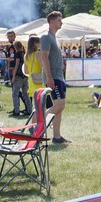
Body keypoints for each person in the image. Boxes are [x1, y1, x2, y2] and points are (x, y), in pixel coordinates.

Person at [38, 11, 69, 143]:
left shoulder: (54, 37)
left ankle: (57, 136)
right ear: (51, 22)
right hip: (53, 76)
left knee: (59, 107)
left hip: (59, 75)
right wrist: (49, 78)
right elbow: (44, 57)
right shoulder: (46, 37)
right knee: (60, 105)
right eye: (58, 20)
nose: (61, 22)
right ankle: (38, 125)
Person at [9, 39, 30, 117]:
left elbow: (17, 65)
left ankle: (16, 110)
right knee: (25, 94)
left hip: (19, 75)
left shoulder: (17, 54)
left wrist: (13, 76)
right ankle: (29, 109)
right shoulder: (25, 54)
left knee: (15, 93)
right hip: (25, 75)